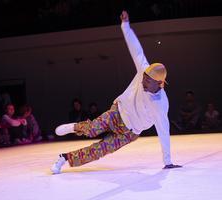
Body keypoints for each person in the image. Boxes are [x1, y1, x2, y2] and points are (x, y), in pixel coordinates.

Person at [51, 11, 182, 174]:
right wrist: (125, 26)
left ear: (159, 83)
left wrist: (168, 161)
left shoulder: (161, 104)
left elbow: (163, 130)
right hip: (118, 112)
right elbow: (136, 50)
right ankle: (75, 127)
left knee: (98, 151)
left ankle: (64, 158)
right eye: (144, 77)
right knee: (93, 129)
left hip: (130, 133)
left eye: (148, 80)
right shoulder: (143, 70)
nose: (143, 81)